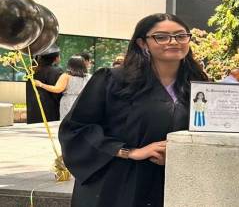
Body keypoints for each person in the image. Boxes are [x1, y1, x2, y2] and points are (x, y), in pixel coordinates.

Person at [58, 13, 208, 207]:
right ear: (142, 43)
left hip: (176, 182)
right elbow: (76, 129)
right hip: (120, 183)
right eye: (161, 37)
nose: (173, 42)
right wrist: (130, 151)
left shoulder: (199, 86)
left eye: (181, 36)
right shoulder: (113, 81)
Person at [35, 56, 91, 120]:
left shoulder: (66, 76)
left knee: (67, 122)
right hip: (83, 101)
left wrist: (41, 84)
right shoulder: (89, 76)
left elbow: (57, 89)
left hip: (68, 102)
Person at [26, 45, 63, 124]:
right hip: (50, 108)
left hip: (33, 106)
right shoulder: (57, 71)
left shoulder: (31, 70)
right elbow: (58, 90)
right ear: (55, 58)